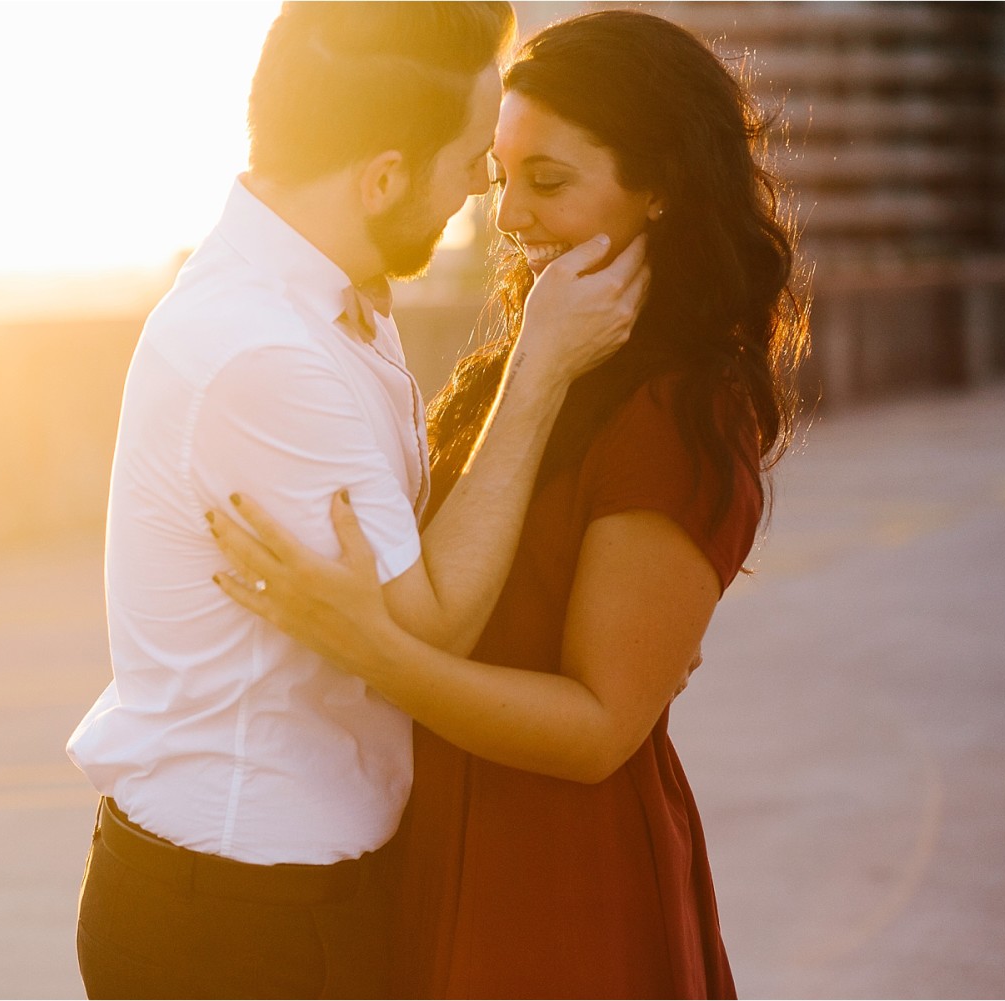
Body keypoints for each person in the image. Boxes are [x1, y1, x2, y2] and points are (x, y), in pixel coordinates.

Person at [210, 9, 811, 998]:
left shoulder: (681, 407)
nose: (510, 214)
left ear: (657, 187)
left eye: (552, 181)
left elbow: (595, 727)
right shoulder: (535, 363)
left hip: (558, 882)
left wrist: (374, 650)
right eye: (502, 175)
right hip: (428, 842)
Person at [65, 4, 652, 998]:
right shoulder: (266, 349)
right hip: (242, 922)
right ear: (383, 176)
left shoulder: (319, 293)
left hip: (270, 898)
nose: (487, 185)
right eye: (472, 157)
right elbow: (435, 622)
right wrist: (542, 364)